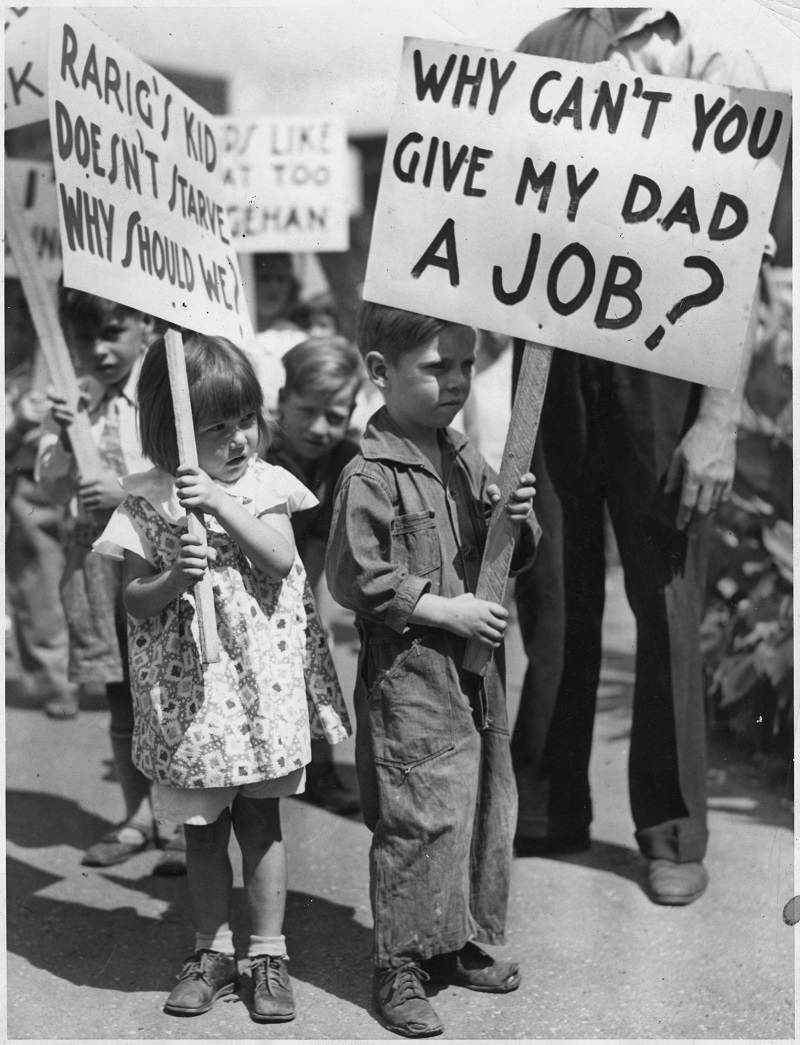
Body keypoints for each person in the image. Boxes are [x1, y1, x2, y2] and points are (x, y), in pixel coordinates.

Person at [510, 7, 771, 906]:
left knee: (666, 595)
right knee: (548, 583)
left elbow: (744, 252)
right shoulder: (541, 49)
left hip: (669, 358)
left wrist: (720, 416)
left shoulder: (712, 53)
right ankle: (544, 804)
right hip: (550, 350)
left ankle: (670, 830)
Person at [92, 333, 350, 1021]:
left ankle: (267, 953)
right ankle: (211, 949)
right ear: (171, 433)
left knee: (260, 820)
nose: (239, 438)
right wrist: (175, 573)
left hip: (256, 696)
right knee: (202, 829)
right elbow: (133, 599)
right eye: (216, 428)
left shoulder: (263, 486)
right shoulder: (147, 502)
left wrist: (222, 503)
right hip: (190, 701)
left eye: (245, 420)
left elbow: (279, 559)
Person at [326, 301, 540, 1038]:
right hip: (413, 673)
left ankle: (453, 938)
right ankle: (401, 963)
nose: (455, 381)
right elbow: (356, 576)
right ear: (381, 373)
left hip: (478, 672)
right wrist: (444, 611)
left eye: (465, 364)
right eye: (435, 367)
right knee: (420, 813)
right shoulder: (370, 474)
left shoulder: (462, 455)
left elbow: (506, 550)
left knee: (481, 797)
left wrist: (516, 514)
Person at [35, 288, 185, 874]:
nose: (97, 350)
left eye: (112, 332)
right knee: (119, 691)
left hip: (149, 556)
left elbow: (176, 472)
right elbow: (50, 485)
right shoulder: (72, 402)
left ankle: (176, 817)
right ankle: (137, 816)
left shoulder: (160, 396)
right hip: (95, 561)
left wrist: (122, 491)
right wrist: (69, 445)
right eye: (84, 338)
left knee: (163, 689)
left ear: (142, 327)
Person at [268, 335, 364, 814]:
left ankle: (321, 770)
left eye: (336, 416)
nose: (320, 428)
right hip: (241, 571)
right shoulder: (259, 449)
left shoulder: (341, 459)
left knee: (314, 648)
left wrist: (317, 617)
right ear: (283, 399)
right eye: (307, 411)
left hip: (302, 564)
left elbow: (321, 540)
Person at [6, 345, 76, 717]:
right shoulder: (14, 378)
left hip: (79, 479)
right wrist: (18, 422)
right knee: (41, 585)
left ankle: (104, 672)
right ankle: (55, 681)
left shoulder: (86, 365)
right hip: (29, 488)